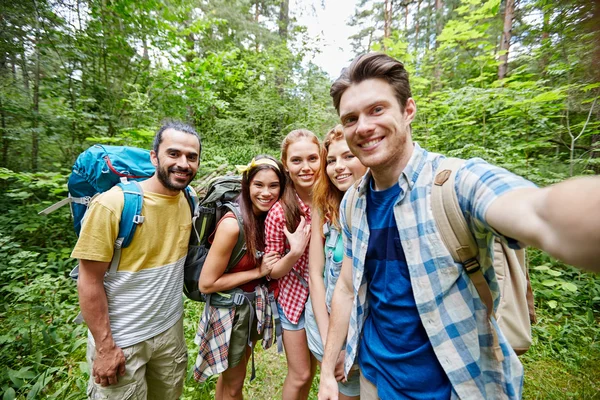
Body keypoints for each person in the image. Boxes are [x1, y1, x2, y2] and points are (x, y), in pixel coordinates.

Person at [318, 52, 600, 400]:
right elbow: (347, 287)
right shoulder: (354, 202)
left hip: (457, 384)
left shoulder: (455, 183)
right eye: (351, 118)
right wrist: (327, 372)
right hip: (376, 379)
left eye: (377, 109)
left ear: (408, 111)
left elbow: (537, 210)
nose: (362, 127)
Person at [71, 121, 201, 399]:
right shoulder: (112, 204)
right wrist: (105, 348)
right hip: (123, 342)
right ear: (154, 157)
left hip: (169, 333)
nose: (183, 163)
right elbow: (89, 280)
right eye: (174, 154)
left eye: (192, 157)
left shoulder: (189, 199)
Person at [192, 155, 284, 399]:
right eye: (259, 185)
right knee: (235, 386)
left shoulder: (264, 218)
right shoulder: (232, 225)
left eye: (273, 186)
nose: (266, 193)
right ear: (247, 185)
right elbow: (207, 283)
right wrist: (258, 272)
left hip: (244, 310)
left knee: (229, 377)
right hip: (230, 313)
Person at [305, 125, 367, 400]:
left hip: (363, 337)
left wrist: (350, 346)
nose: (338, 167)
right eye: (331, 160)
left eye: (348, 156)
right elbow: (315, 274)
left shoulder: (380, 210)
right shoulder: (324, 205)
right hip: (324, 324)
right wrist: (332, 344)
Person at [264, 129, 320, 399]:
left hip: (325, 299)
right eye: (297, 160)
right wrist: (294, 252)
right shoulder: (280, 211)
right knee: (300, 374)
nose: (306, 167)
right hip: (295, 300)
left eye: (312, 158)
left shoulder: (333, 200)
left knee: (313, 369)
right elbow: (272, 270)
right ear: (286, 165)